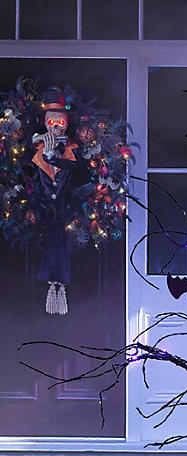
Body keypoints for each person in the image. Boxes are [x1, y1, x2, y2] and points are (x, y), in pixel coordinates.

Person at [31, 90, 82, 314]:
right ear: (45, 123)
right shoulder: (35, 149)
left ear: (66, 124)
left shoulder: (73, 149)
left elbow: (76, 168)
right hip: (43, 215)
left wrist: (53, 157)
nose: (56, 127)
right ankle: (51, 288)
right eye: (51, 122)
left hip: (66, 214)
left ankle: (60, 289)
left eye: (60, 123)